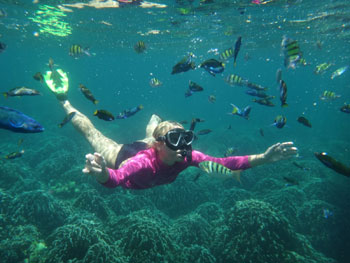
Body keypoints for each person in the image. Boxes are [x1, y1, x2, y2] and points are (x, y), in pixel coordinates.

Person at [45, 69, 298, 190]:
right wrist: (101, 172)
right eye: (176, 140)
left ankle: (154, 125)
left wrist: (265, 158)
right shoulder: (142, 163)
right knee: (93, 134)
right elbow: (116, 179)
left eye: (186, 138)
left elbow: (227, 162)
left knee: (150, 134)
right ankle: (64, 100)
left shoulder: (185, 156)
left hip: (151, 142)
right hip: (123, 153)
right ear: (160, 145)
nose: (185, 147)